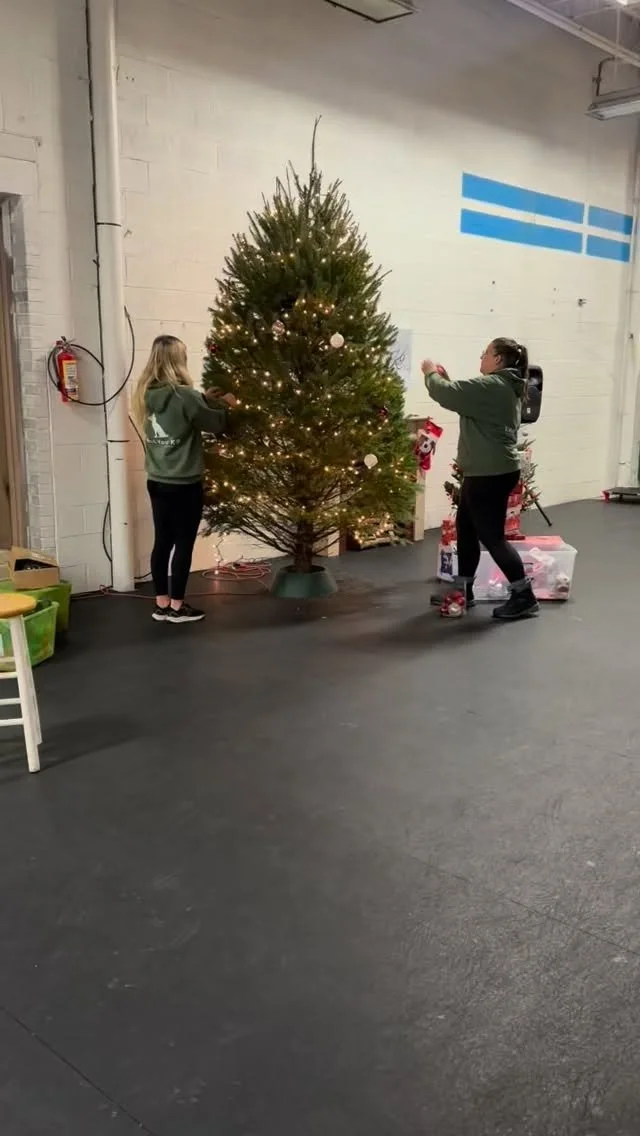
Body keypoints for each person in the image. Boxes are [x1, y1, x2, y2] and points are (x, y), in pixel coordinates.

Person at [421, 338, 539, 622]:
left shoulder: (494, 385)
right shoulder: (501, 386)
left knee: (491, 537)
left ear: (498, 359)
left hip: (490, 472)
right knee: (466, 529)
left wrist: (430, 373)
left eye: (485, 353)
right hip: (486, 471)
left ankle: (524, 595)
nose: (482, 357)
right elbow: (465, 400)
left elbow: (447, 395)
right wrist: (446, 381)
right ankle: (464, 590)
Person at [131, 334, 236, 624]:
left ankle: (162, 604)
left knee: (162, 542)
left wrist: (205, 399)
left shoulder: (144, 394)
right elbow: (215, 423)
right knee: (183, 543)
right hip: (185, 484)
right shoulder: (184, 396)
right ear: (178, 361)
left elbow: (188, 412)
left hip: (157, 481)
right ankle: (178, 607)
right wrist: (226, 404)